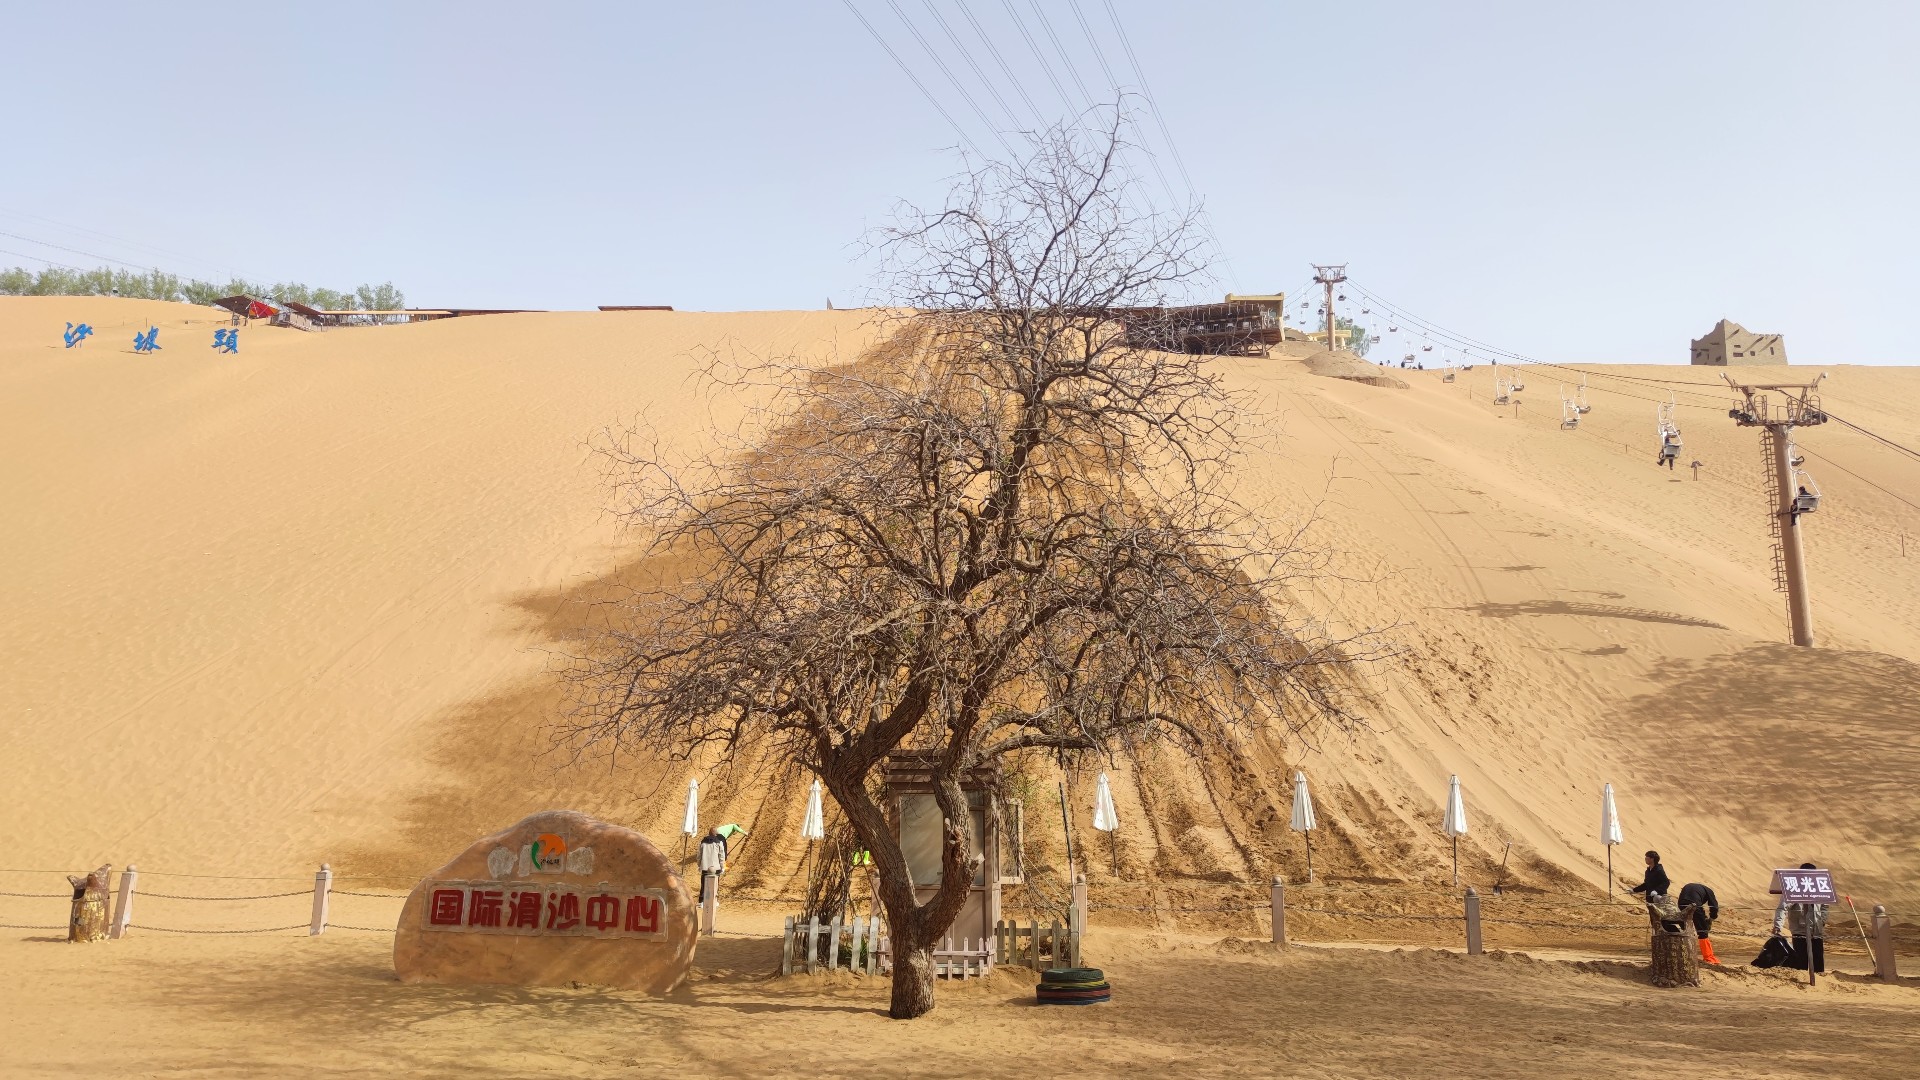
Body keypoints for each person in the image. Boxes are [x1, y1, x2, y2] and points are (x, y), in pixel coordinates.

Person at [1773, 862, 1828, 972]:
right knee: (1800, 963)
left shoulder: (1819, 888)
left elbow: (1824, 906)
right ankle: (1801, 980)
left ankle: (1818, 980)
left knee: (1818, 962)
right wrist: (1778, 926)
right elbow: (1782, 908)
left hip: (1816, 931)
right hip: (1800, 931)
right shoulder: (1793, 889)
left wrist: (1822, 920)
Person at [1677, 881, 1721, 964]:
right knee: (1702, 931)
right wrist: (1712, 918)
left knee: (1685, 929)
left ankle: (1683, 953)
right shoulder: (1709, 891)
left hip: (1681, 905)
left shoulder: (1693, 887)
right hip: (1695, 905)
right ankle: (1708, 957)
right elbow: (1714, 907)